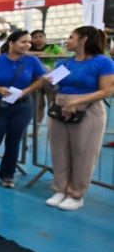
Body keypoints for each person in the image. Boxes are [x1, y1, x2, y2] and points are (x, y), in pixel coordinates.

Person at [44, 26, 114, 211]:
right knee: (59, 151)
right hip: (60, 109)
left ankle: (76, 193)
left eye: (71, 37)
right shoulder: (64, 63)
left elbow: (107, 90)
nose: (67, 41)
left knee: (83, 153)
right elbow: (54, 87)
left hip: (88, 110)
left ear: (83, 40)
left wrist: (78, 101)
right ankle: (60, 188)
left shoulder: (103, 62)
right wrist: (49, 83)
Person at [0, 31, 47, 187]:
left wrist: (26, 92)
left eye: (29, 42)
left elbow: (40, 79)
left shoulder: (32, 61)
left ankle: (7, 174)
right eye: (23, 42)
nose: (27, 45)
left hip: (22, 107)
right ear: (11, 43)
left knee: (14, 142)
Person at [29, 29, 64, 123]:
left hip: (51, 78)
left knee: (54, 101)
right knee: (39, 103)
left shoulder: (53, 47)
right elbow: (24, 53)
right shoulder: (28, 48)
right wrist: (40, 54)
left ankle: (55, 122)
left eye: (40, 36)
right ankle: (38, 126)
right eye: (35, 37)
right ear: (31, 39)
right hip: (35, 79)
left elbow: (64, 55)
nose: (38, 39)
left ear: (45, 38)